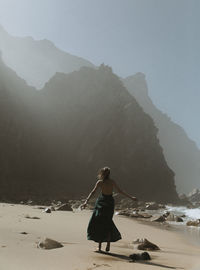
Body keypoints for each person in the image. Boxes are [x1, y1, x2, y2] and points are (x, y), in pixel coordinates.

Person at [80, 166, 137, 252]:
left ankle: (99, 247)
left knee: (99, 223)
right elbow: (120, 191)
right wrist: (131, 197)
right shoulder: (112, 182)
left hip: (101, 202)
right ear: (109, 174)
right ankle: (108, 245)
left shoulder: (100, 182)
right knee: (108, 222)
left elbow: (93, 192)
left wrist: (86, 202)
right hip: (109, 202)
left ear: (102, 173)